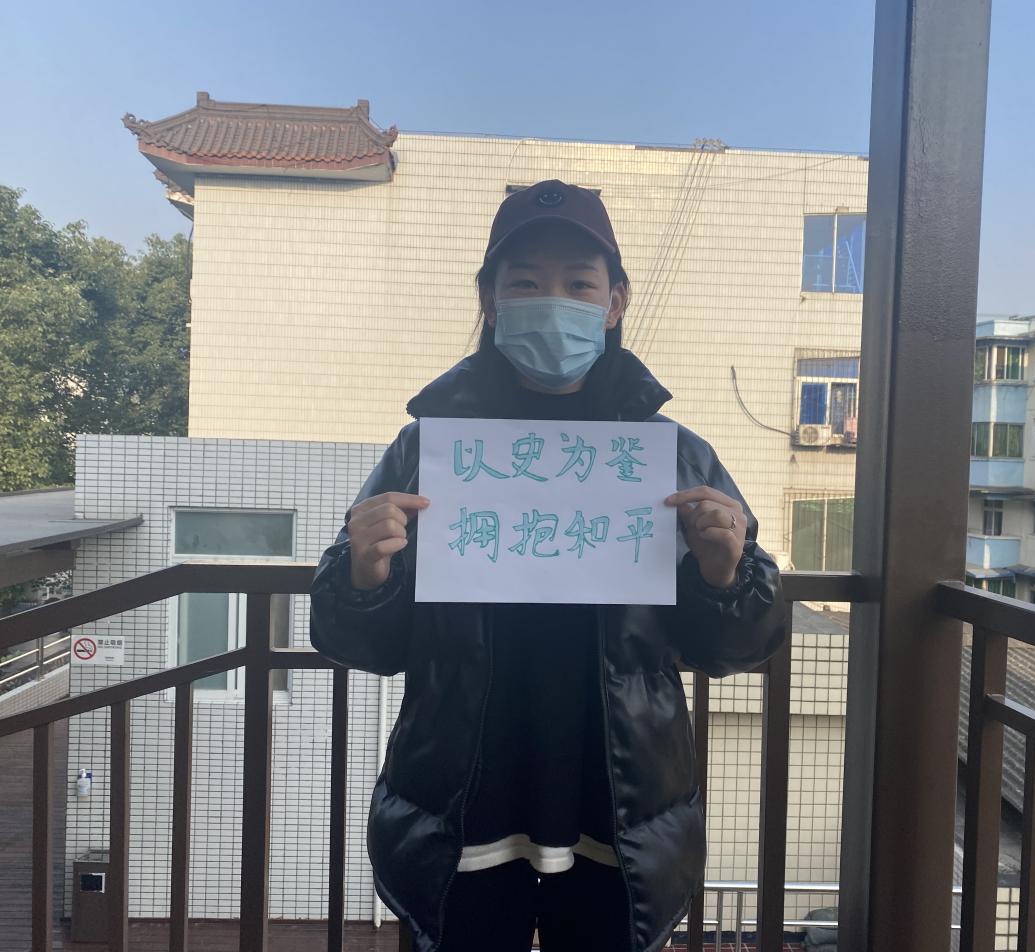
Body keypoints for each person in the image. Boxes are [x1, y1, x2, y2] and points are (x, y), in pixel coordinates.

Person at [310, 180, 787, 952]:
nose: (552, 302)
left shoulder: (671, 454)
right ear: (490, 301)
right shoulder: (428, 449)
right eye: (526, 283)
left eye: (578, 284)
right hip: (465, 791)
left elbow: (735, 648)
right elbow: (361, 644)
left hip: (616, 793)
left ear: (615, 301)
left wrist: (723, 572)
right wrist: (364, 575)